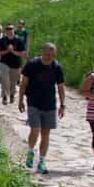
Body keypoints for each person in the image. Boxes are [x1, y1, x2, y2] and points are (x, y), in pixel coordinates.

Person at [19, 42, 66, 173]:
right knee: (35, 130)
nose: (49, 56)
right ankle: (30, 151)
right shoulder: (32, 64)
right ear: (42, 52)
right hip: (33, 102)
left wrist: (62, 105)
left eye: (52, 54)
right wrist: (20, 100)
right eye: (47, 54)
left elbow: (61, 87)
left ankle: (42, 161)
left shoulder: (56, 67)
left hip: (50, 104)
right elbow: (24, 83)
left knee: (46, 134)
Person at [0, 25, 25, 105]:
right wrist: (7, 51)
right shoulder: (2, 40)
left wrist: (13, 51)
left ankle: (12, 94)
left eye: (11, 29)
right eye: (8, 29)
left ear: (14, 30)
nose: (9, 30)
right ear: (6, 31)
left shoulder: (19, 40)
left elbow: (22, 53)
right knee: (4, 80)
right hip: (4, 63)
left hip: (16, 64)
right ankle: (4, 96)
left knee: (13, 82)